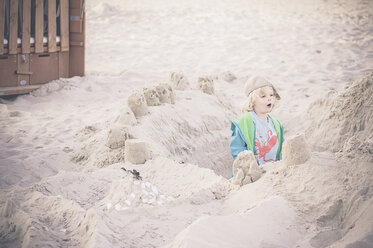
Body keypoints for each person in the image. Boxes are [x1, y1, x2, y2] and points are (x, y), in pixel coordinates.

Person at [230, 76, 284, 166]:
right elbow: (237, 147)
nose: (269, 98)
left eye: (271, 95)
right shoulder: (245, 122)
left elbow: (282, 148)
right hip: (254, 172)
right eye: (263, 96)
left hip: (273, 171)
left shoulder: (276, 124)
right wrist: (247, 165)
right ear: (253, 101)